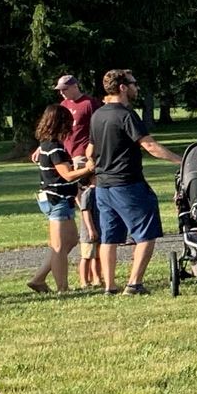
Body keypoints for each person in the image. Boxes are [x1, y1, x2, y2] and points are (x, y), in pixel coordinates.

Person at [87, 69, 177, 295]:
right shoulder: (126, 115)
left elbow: (90, 150)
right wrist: (183, 160)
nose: (137, 87)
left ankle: (109, 286)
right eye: (134, 83)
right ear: (122, 87)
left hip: (103, 186)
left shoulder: (97, 115)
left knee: (109, 238)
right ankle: (134, 284)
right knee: (146, 232)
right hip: (127, 184)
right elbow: (149, 146)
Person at [27, 104, 94, 294]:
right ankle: (62, 288)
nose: (71, 126)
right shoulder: (54, 147)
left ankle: (39, 279)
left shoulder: (46, 145)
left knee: (71, 240)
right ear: (60, 123)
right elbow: (67, 175)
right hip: (57, 200)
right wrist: (89, 169)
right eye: (68, 122)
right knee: (58, 246)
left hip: (58, 199)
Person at [55, 73, 102, 287]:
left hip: (84, 156)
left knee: (88, 194)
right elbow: (57, 129)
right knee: (77, 196)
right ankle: (87, 228)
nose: (63, 93)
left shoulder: (90, 103)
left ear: (75, 86)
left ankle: (92, 226)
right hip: (67, 155)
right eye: (60, 90)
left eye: (65, 88)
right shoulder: (63, 105)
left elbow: (98, 128)